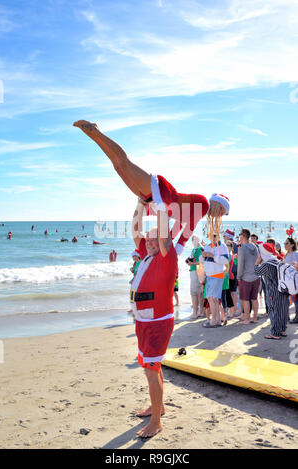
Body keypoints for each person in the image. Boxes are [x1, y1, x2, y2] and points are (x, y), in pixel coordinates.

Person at [73, 120, 229, 253]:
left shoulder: (193, 212)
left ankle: (96, 135)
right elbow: (188, 229)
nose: (219, 215)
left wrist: (166, 248)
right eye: (221, 210)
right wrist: (178, 249)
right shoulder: (204, 204)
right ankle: (96, 133)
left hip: (153, 199)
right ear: (215, 203)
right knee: (124, 163)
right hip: (160, 191)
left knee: (119, 167)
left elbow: (178, 226)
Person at [130, 198, 177, 438]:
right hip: (143, 321)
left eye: (154, 239)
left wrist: (159, 205)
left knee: (151, 368)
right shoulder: (147, 253)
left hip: (157, 323)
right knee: (151, 367)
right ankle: (159, 406)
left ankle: (156, 421)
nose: (148, 242)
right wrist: (139, 204)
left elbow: (165, 238)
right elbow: (135, 230)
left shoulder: (166, 259)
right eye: (148, 239)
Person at [254, 243, 289, 340]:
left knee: (274, 311)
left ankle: (275, 333)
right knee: (282, 310)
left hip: (273, 292)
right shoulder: (278, 261)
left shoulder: (267, 264)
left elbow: (256, 272)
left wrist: (257, 262)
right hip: (283, 290)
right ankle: (283, 330)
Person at [200, 233, 229, 328]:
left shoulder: (222, 246)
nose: (213, 238)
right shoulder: (208, 246)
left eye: (215, 236)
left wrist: (213, 256)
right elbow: (202, 260)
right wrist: (203, 255)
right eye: (212, 236)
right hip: (209, 275)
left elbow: (226, 260)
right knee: (214, 298)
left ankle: (214, 321)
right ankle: (216, 320)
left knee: (211, 297)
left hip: (217, 274)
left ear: (218, 237)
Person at [237, 229, 260, 324]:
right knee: (254, 298)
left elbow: (240, 265)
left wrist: (238, 277)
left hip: (246, 277)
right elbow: (258, 259)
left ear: (242, 236)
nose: (239, 236)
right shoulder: (254, 246)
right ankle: (254, 318)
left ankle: (247, 319)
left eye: (239, 235)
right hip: (256, 275)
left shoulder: (242, 248)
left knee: (246, 299)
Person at [186, 235, 204, 319]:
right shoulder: (195, 249)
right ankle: (200, 311)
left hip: (197, 271)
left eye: (195, 238)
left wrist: (192, 263)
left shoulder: (199, 249)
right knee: (198, 292)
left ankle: (195, 312)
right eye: (192, 239)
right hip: (194, 271)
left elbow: (201, 262)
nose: (193, 240)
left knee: (194, 292)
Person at [284, 238, 298, 323]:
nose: (285, 245)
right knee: (291, 299)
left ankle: (297, 317)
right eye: (284, 243)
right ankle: (289, 316)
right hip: (288, 281)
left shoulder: (295, 254)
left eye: (287, 243)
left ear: (292, 245)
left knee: (295, 300)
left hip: (295, 280)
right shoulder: (286, 255)